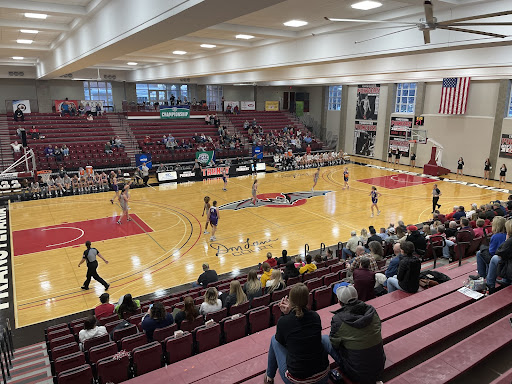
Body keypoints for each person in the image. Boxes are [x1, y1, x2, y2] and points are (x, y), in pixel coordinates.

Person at [264, 284, 329, 384]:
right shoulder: (315, 316)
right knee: (321, 339)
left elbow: (281, 341)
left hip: (298, 380)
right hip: (323, 375)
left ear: (291, 301)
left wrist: (285, 315)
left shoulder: (284, 321)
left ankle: (269, 377)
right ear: (307, 299)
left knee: (274, 339)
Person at [323, 283, 385, 384]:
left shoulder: (338, 320)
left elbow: (334, 344)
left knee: (324, 339)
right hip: (379, 366)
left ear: (339, 301)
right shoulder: (371, 310)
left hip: (356, 373)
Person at [476, 216, 506, 283]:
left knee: (480, 253)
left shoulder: (495, 236)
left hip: (498, 259)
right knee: (481, 252)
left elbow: (491, 252)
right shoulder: (506, 234)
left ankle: (482, 275)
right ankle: (482, 275)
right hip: (502, 257)